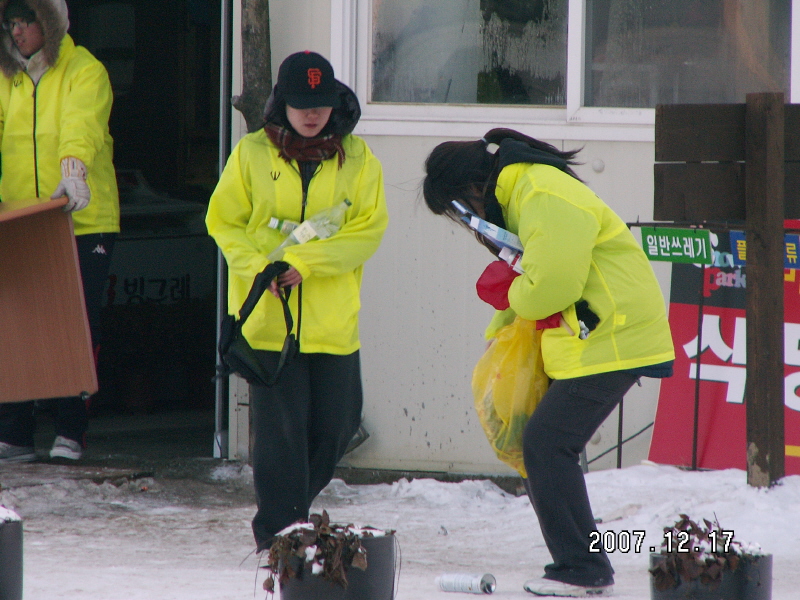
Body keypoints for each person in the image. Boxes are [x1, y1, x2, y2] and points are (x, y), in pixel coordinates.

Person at [422, 128, 675, 597]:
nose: (469, 226)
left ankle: (582, 568)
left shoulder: (538, 190)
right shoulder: (526, 192)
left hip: (614, 335)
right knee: (545, 443)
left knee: (546, 443)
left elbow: (551, 283)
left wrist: (515, 295)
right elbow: (539, 275)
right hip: (600, 332)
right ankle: (581, 562)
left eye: (460, 216)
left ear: (469, 192)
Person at [206, 51, 388, 552]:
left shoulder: (360, 158)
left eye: (322, 104)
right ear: (281, 103)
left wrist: (305, 265)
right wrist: (258, 265)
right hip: (269, 323)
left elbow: (366, 232)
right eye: (302, 104)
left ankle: (291, 514)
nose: (313, 115)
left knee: (336, 429)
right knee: (280, 439)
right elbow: (223, 221)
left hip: (332, 325)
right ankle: (279, 537)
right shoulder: (250, 155)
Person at [0, 0, 119, 463]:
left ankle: (71, 430)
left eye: (26, 20)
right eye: (10, 22)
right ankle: (15, 433)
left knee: (74, 323)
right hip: (22, 219)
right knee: (15, 321)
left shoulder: (84, 70)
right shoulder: (8, 77)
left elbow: (81, 126)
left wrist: (74, 170)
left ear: (49, 23)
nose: (17, 31)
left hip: (81, 218)